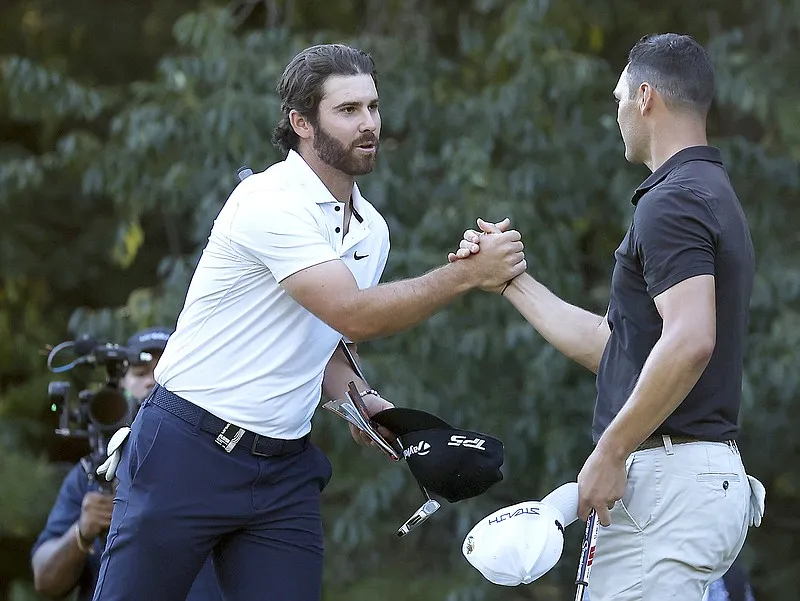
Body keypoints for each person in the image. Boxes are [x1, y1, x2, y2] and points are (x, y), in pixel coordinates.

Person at [90, 43, 526, 601]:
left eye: (372, 106)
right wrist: (467, 276)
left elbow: (328, 341)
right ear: (300, 122)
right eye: (347, 111)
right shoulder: (267, 201)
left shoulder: (372, 229)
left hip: (283, 471)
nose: (368, 124)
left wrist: (363, 403)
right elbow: (353, 314)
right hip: (185, 451)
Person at [451, 33, 759, 600]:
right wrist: (511, 282)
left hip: (666, 485)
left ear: (645, 97)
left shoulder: (673, 200)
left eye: (618, 97)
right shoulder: (707, 192)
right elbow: (618, 348)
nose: (615, 112)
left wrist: (611, 451)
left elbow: (691, 341)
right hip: (693, 484)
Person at [31, 327, 222, 601]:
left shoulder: (222, 463)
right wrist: (82, 533)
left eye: (164, 370)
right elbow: (45, 581)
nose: (151, 383)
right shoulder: (92, 473)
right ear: (120, 385)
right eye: (141, 373)